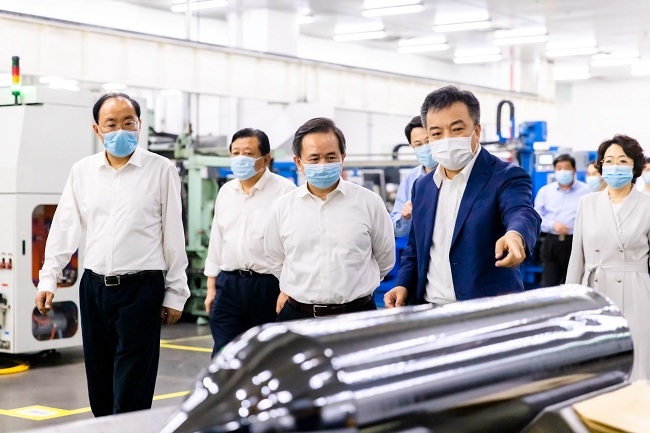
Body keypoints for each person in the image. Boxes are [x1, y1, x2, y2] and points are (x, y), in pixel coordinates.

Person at [34, 92, 190, 416]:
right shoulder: (82, 171)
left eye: (128, 122)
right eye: (111, 124)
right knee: (100, 388)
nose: (121, 130)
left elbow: (173, 234)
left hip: (140, 290)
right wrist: (48, 278)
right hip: (94, 289)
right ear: (97, 129)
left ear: (140, 124)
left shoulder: (160, 170)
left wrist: (176, 292)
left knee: (132, 389)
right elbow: (65, 227)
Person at [384, 86, 541, 308]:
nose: (446, 140)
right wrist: (403, 285)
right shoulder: (423, 186)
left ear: (477, 131)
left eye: (457, 129)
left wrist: (516, 235)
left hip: (485, 311)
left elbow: (521, 211)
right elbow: (415, 248)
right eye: (436, 134)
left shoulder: (505, 176)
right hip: (430, 309)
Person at [264, 117, 395, 320]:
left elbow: (385, 258)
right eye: (314, 158)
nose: (323, 164)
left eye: (331, 157)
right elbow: (275, 259)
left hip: (357, 315)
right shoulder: (282, 207)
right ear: (299, 162)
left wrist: (353, 289)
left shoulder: (369, 202)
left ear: (343, 157)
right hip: (299, 315)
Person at [204, 128, 295, 356]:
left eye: (248, 153)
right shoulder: (226, 191)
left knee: (267, 355)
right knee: (225, 355)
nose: (240, 158)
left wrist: (287, 290)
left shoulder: (285, 192)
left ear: (265, 158)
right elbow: (217, 240)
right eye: (235, 153)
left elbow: (295, 247)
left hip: (269, 287)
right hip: (229, 286)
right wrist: (211, 287)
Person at [566, 134, 650, 380]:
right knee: (596, 364)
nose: (615, 166)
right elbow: (577, 257)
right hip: (594, 291)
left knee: (637, 362)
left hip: (635, 291)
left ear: (634, 166)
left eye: (623, 161)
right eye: (609, 160)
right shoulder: (587, 203)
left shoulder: (647, 205)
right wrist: (570, 299)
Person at [534, 154, 591, 286]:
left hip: (576, 242)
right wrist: (553, 225)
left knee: (574, 283)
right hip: (552, 242)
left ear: (574, 170)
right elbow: (536, 216)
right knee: (549, 284)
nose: (563, 171)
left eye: (567, 168)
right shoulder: (545, 192)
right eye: (559, 168)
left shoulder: (586, 191)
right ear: (554, 170)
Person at [391, 116, 437, 237]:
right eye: (418, 144)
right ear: (412, 146)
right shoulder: (410, 179)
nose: (425, 148)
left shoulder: (452, 172)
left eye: (428, 141)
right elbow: (396, 229)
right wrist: (404, 217)